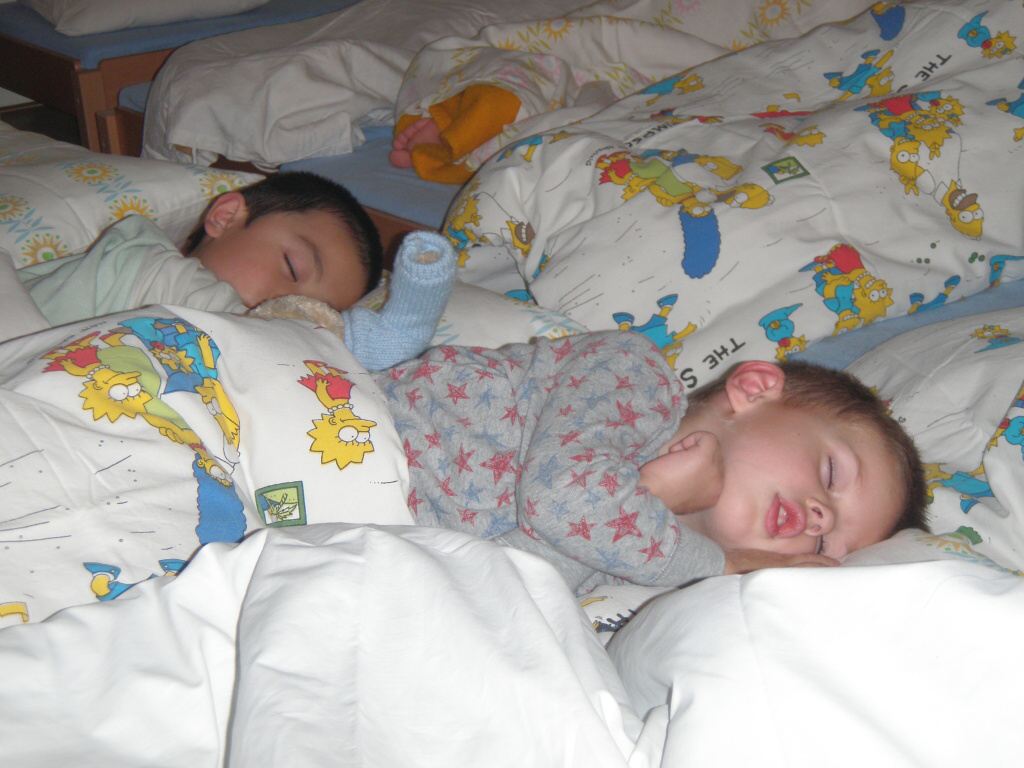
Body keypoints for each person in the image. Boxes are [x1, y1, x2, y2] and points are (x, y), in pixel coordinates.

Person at [369, 330, 926, 595]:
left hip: (354, 532)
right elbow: (562, 497)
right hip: (347, 428)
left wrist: (661, 509)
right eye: (832, 474)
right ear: (755, 390)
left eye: (824, 549)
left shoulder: (642, 565)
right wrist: (720, 560)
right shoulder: (635, 376)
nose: (820, 520)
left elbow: (483, 585)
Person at [17, 171, 457, 371]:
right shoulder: (139, 261)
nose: (288, 306)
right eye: (292, 267)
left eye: (314, 310)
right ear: (226, 217)